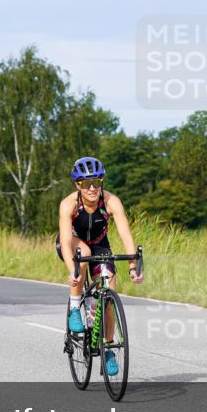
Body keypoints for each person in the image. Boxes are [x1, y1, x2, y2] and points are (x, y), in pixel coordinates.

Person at [57, 156, 143, 376]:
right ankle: (76, 308)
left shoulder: (111, 201)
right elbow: (66, 242)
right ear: (78, 185)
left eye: (97, 181)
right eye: (87, 184)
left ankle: (108, 348)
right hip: (72, 242)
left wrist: (134, 266)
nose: (93, 188)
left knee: (109, 291)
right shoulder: (69, 204)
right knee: (83, 253)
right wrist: (72, 271)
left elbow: (125, 234)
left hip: (100, 245)